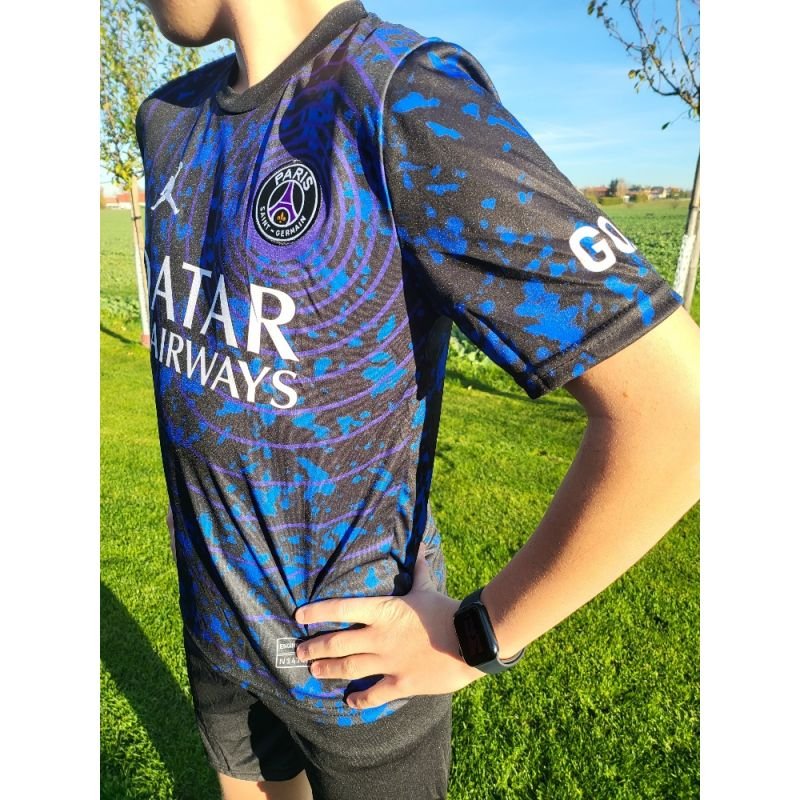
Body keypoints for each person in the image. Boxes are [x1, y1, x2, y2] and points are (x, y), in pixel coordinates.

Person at [134, 1, 700, 798]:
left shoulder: (398, 98)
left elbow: (684, 411)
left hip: (359, 678)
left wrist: (477, 635)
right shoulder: (168, 119)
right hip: (216, 637)